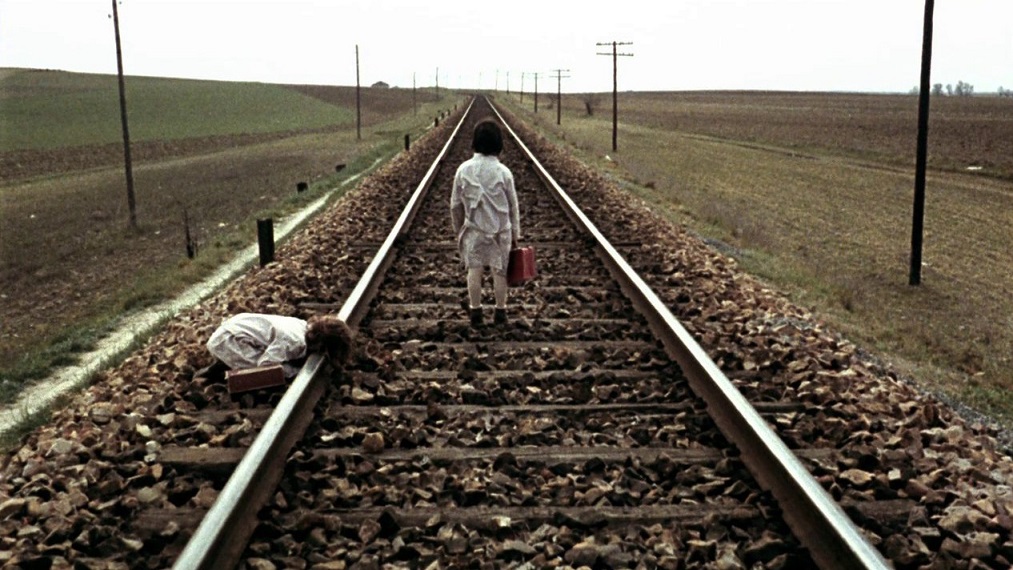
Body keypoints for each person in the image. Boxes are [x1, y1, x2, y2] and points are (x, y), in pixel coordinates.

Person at [450, 120, 521, 326]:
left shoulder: (463, 170)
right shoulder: (504, 172)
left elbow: (455, 205)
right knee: (500, 272)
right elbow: (513, 206)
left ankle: (476, 311)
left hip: (474, 230)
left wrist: (458, 229)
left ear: (475, 142)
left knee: (474, 270)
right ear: (498, 144)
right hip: (501, 231)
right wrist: (515, 234)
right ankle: (500, 311)